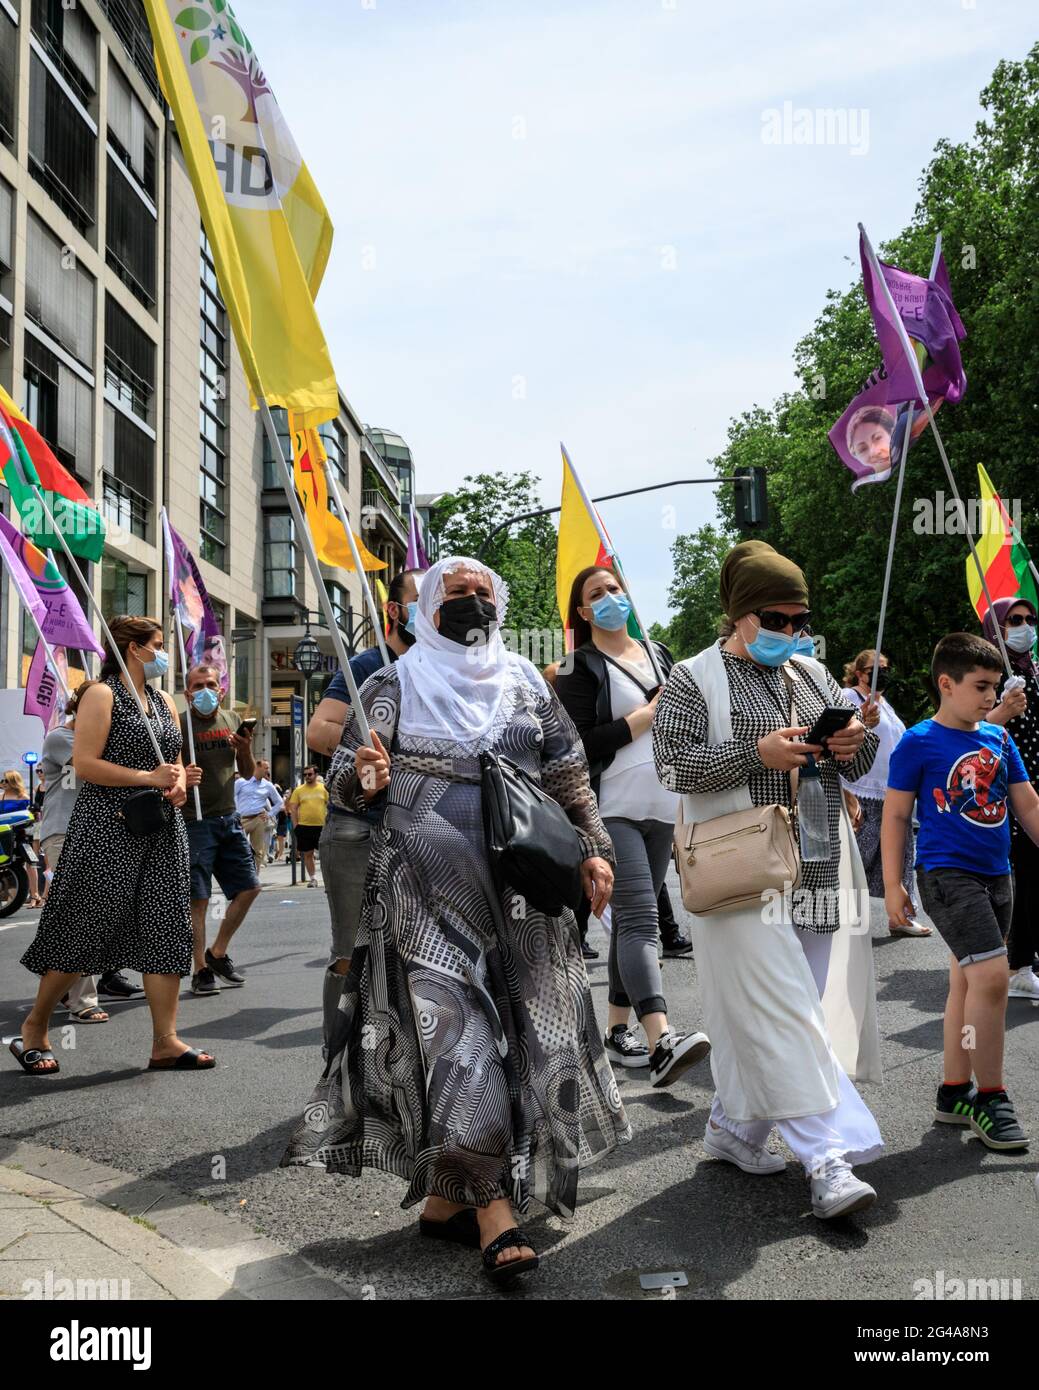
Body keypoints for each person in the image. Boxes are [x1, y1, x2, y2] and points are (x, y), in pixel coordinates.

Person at [282, 556, 628, 1287]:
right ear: (424, 609)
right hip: (425, 889)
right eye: (454, 594)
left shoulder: (527, 681)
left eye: (481, 594)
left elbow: (566, 770)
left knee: (535, 1031)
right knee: (458, 1039)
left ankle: (446, 1198)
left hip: (527, 886)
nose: (470, 605)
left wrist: (594, 851)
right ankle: (494, 1212)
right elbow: (347, 777)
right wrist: (365, 777)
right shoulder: (391, 684)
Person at [653, 540, 884, 1219]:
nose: (791, 632)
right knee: (784, 1011)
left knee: (791, 1007)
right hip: (739, 867)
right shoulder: (691, 679)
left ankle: (733, 1129)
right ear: (739, 614)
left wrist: (849, 742)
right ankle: (825, 1161)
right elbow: (671, 766)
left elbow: (858, 759)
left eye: (798, 619)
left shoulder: (813, 675)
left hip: (815, 859)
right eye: (775, 618)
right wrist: (752, 752)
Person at [12, 616, 214, 1075]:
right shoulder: (102, 694)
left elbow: (173, 762)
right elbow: (84, 764)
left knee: (166, 928)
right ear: (135, 648)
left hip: (161, 827)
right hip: (107, 827)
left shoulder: (163, 700)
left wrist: (179, 782)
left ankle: (165, 1041)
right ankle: (35, 1028)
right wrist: (150, 777)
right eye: (158, 645)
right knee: (85, 927)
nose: (164, 654)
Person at [884, 632, 1039, 1150]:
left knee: (967, 985)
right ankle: (991, 1097)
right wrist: (892, 885)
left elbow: (1029, 806)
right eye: (980, 687)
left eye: (995, 687)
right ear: (946, 683)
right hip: (947, 876)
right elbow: (897, 816)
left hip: (999, 875)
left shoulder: (999, 739)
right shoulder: (919, 740)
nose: (990, 698)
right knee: (994, 979)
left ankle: (954, 1090)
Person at [556, 565, 710, 1084]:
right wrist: (645, 716)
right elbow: (576, 747)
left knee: (628, 924)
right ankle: (660, 1038)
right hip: (611, 808)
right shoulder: (578, 667)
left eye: (615, 589)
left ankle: (617, 1032)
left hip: (664, 805)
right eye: (596, 594)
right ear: (582, 611)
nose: (608, 599)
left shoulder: (659, 653)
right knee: (643, 918)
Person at [305, 570, 425, 1042]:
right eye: (419, 599)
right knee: (350, 953)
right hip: (359, 828)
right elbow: (318, 731)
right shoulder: (366, 665)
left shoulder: (444, 670)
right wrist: (382, 745)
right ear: (395, 610)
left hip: (417, 830)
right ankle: (337, 1060)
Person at [180, 664, 262, 997]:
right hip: (193, 821)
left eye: (210, 684)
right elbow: (163, 770)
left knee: (249, 888)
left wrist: (244, 749)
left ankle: (217, 953)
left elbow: (248, 772)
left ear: (221, 689)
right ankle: (200, 969)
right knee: (197, 900)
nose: (204, 690)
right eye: (197, 686)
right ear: (187, 693)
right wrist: (182, 774)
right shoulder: (178, 724)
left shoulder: (231, 720)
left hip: (229, 818)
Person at [841, 649, 931, 938]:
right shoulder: (848, 697)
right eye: (875, 669)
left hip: (891, 791)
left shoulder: (886, 705)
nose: (883, 673)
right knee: (858, 857)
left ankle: (901, 916)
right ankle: (839, 917)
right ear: (859, 673)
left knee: (902, 854)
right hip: (860, 788)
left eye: (886, 668)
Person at [35, 684, 107, 1024]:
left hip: (91, 831)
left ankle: (59, 976)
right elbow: (95, 763)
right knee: (81, 912)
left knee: (73, 914)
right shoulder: (60, 738)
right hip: (63, 831)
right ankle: (82, 1000)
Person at [982, 597, 1039, 1002]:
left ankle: (1025, 960)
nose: (1023, 626)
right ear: (995, 630)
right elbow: (964, 728)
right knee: (1030, 879)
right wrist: (1000, 710)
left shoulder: (1032, 672)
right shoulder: (990, 676)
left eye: (1029, 619)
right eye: (1013, 620)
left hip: (1037, 791)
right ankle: (1019, 965)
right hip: (1010, 794)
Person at [234, 757, 284, 875]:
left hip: (258, 818)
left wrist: (269, 814)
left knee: (258, 850)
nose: (268, 770)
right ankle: (240, 874)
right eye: (266, 768)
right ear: (257, 767)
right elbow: (232, 796)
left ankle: (255, 876)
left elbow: (279, 802)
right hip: (242, 819)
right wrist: (235, 813)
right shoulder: (241, 782)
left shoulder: (268, 785)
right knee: (239, 848)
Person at [1, 770, 42, 909]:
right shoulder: (1, 796)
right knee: (7, 866)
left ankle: (35, 895)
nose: (3, 783)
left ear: (13, 781)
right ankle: (11, 898)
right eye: (2, 781)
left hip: (20, 834)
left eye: (6, 780)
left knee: (30, 864)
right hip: (4, 835)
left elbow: (33, 817)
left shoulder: (23, 797)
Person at [286, 765, 328, 886]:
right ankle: (313, 879)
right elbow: (293, 808)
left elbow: (330, 806)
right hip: (304, 827)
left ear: (316, 775)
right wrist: (295, 825)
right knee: (308, 854)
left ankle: (327, 878)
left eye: (309, 774)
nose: (307, 777)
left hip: (322, 826)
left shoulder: (323, 789)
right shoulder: (299, 790)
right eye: (305, 775)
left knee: (325, 855)